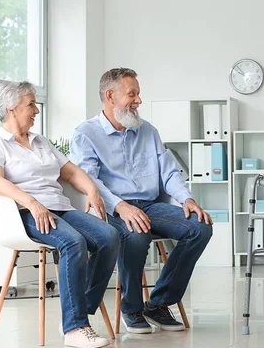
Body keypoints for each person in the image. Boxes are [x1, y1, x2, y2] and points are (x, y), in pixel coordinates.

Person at [70, 68, 213, 334]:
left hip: (148, 205)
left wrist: (187, 198)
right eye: (132, 93)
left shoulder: (148, 131)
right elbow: (89, 181)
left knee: (200, 227)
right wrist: (121, 206)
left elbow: (169, 172)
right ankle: (131, 308)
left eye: (138, 93)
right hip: (112, 208)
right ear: (110, 96)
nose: (138, 100)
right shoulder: (85, 134)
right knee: (136, 233)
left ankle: (158, 303)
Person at [0, 81, 119, 348]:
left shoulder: (40, 141)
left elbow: (70, 171)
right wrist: (32, 203)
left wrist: (92, 190)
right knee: (73, 242)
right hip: (25, 213)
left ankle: (76, 313)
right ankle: (75, 328)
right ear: (12, 109)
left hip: (60, 208)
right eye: (31, 104)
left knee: (109, 236)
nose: (36, 110)